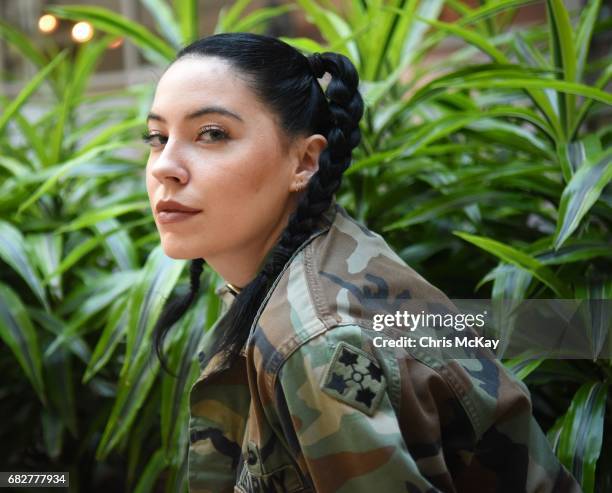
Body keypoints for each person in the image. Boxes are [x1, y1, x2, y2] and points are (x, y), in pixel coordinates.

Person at [145, 32, 581, 493]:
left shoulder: (316, 339)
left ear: (305, 160)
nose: (163, 166)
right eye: (157, 137)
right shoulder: (309, 264)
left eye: (212, 134)